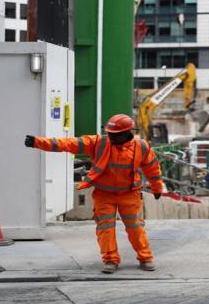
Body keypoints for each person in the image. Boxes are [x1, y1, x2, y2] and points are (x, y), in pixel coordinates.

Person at [25, 114, 164, 273]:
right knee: (106, 229)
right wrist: (38, 142)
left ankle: (145, 258)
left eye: (114, 134)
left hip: (129, 195)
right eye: (109, 133)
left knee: (136, 228)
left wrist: (157, 187)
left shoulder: (141, 146)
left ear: (127, 133)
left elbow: (152, 168)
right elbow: (68, 144)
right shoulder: (98, 143)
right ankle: (110, 260)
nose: (111, 136)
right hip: (104, 194)